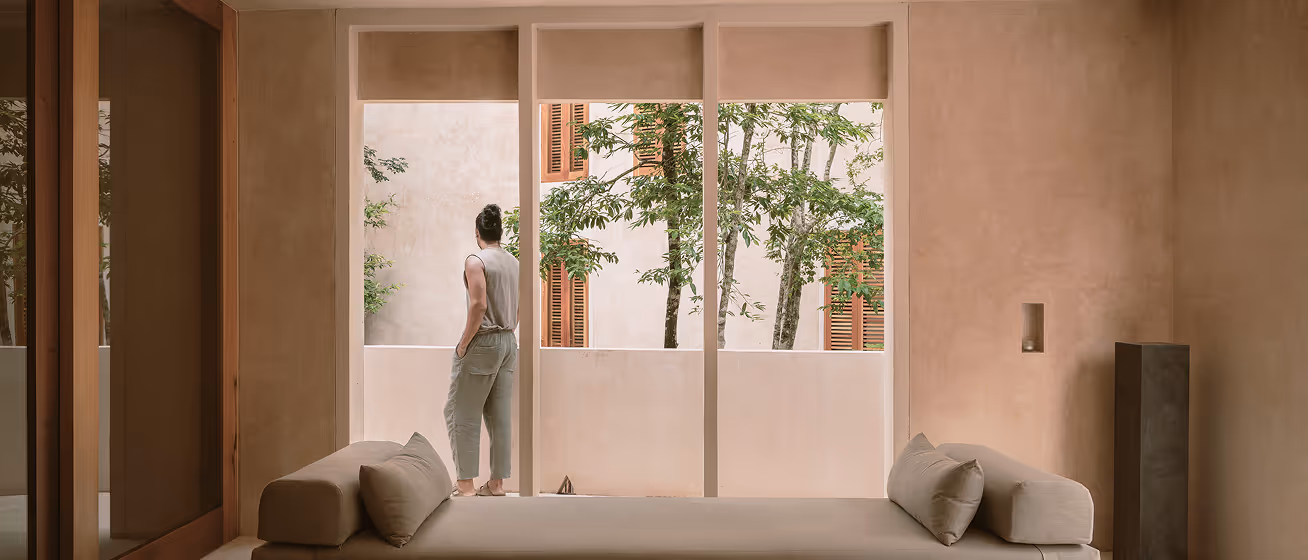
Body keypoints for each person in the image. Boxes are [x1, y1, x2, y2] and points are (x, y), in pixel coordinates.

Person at [445, 204, 519, 497]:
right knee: (499, 415)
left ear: (478, 233)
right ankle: (497, 485)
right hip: (508, 343)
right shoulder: (514, 262)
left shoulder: (475, 261)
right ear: (499, 233)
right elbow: (521, 305)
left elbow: (478, 305)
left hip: (483, 341)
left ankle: (465, 486)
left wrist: (464, 342)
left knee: (459, 411)